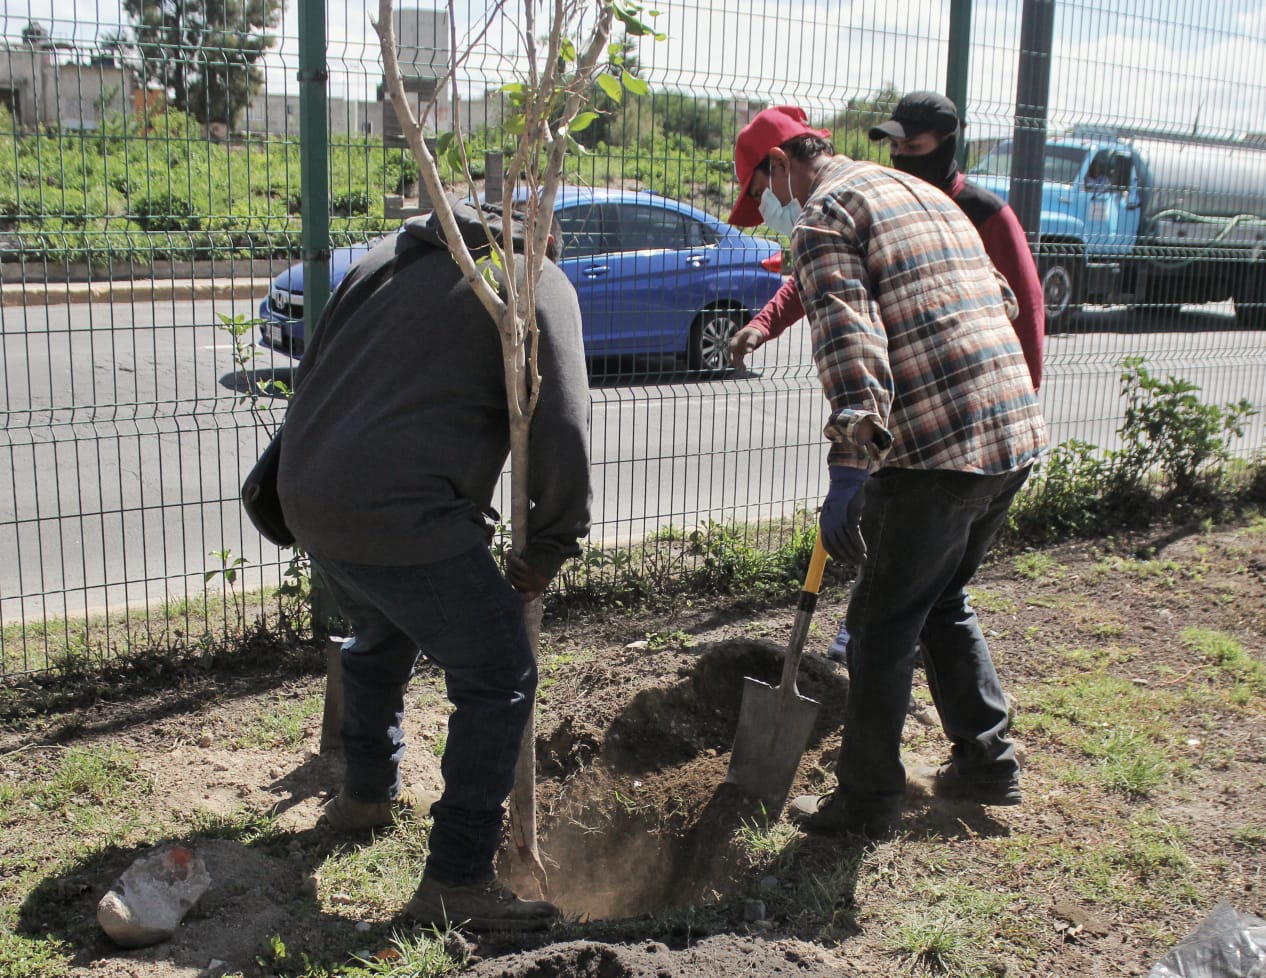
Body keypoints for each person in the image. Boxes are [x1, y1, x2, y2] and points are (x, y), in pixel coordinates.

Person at [727, 106, 1048, 837]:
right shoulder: (923, 193)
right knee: (940, 600)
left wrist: (852, 459)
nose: (770, 211)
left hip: (938, 452)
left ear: (780, 165)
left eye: (761, 191)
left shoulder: (825, 215)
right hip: (1011, 435)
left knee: (879, 625)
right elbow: (996, 299)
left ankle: (867, 800)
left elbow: (849, 334)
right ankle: (987, 765)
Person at [276, 197, 592, 930]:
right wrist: (551, 543)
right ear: (545, 232)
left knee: (384, 631)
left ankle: (365, 794)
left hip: (310, 496)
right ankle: (456, 877)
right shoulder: (530, 276)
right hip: (401, 510)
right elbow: (566, 421)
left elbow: (314, 371)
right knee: (498, 672)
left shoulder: (381, 258)